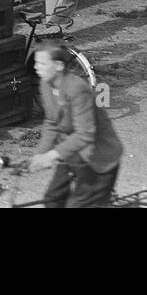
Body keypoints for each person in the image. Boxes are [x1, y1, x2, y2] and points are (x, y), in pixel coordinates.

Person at [27, 42, 123, 207]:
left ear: (58, 65)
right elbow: (51, 121)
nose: (36, 67)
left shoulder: (77, 88)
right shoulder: (45, 84)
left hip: (97, 157)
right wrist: (40, 154)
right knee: (52, 199)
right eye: (36, 62)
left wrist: (50, 156)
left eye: (42, 63)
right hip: (72, 152)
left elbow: (85, 134)